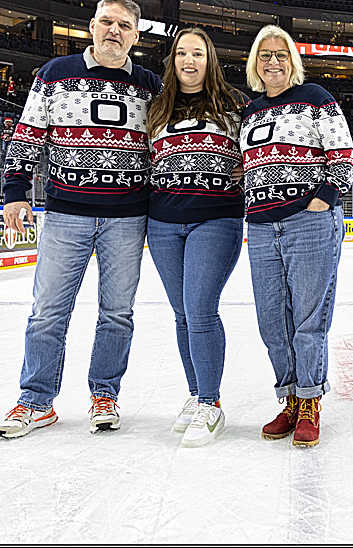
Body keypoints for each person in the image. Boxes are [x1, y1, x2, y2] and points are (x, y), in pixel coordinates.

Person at [0, 0, 161, 439]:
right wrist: (16, 191)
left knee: (117, 313)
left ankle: (105, 394)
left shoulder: (151, 84)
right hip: (66, 213)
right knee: (48, 312)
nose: (114, 31)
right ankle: (35, 401)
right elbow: (27, 136)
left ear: (136, 35)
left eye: (124, 26)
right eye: (107, 22)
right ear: (91, 26)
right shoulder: (55, 74)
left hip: (127, 217)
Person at [240, 24, 353, 447]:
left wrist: (321, 200)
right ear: (255, 62)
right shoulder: (251, 110)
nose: (273, 61)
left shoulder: (316, 99)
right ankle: (288, 396)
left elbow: (343, 156)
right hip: (260, 225)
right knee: (273, 322)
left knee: (308, 320)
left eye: (281, 54)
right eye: (265, 54)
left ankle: (309, 401)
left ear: (293, 61)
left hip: (308, 223)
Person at [146, 28, 247, 448]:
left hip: (216, 218)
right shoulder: (155, 108)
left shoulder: (235, 104)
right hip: (164, 222)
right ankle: (195, 394)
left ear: (211, 61)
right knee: (182, 314)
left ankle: (211, 402)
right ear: (172, 60)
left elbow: (263, 147)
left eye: (198, 54)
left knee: (201, 308)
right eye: (182, 53)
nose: (190, 61)